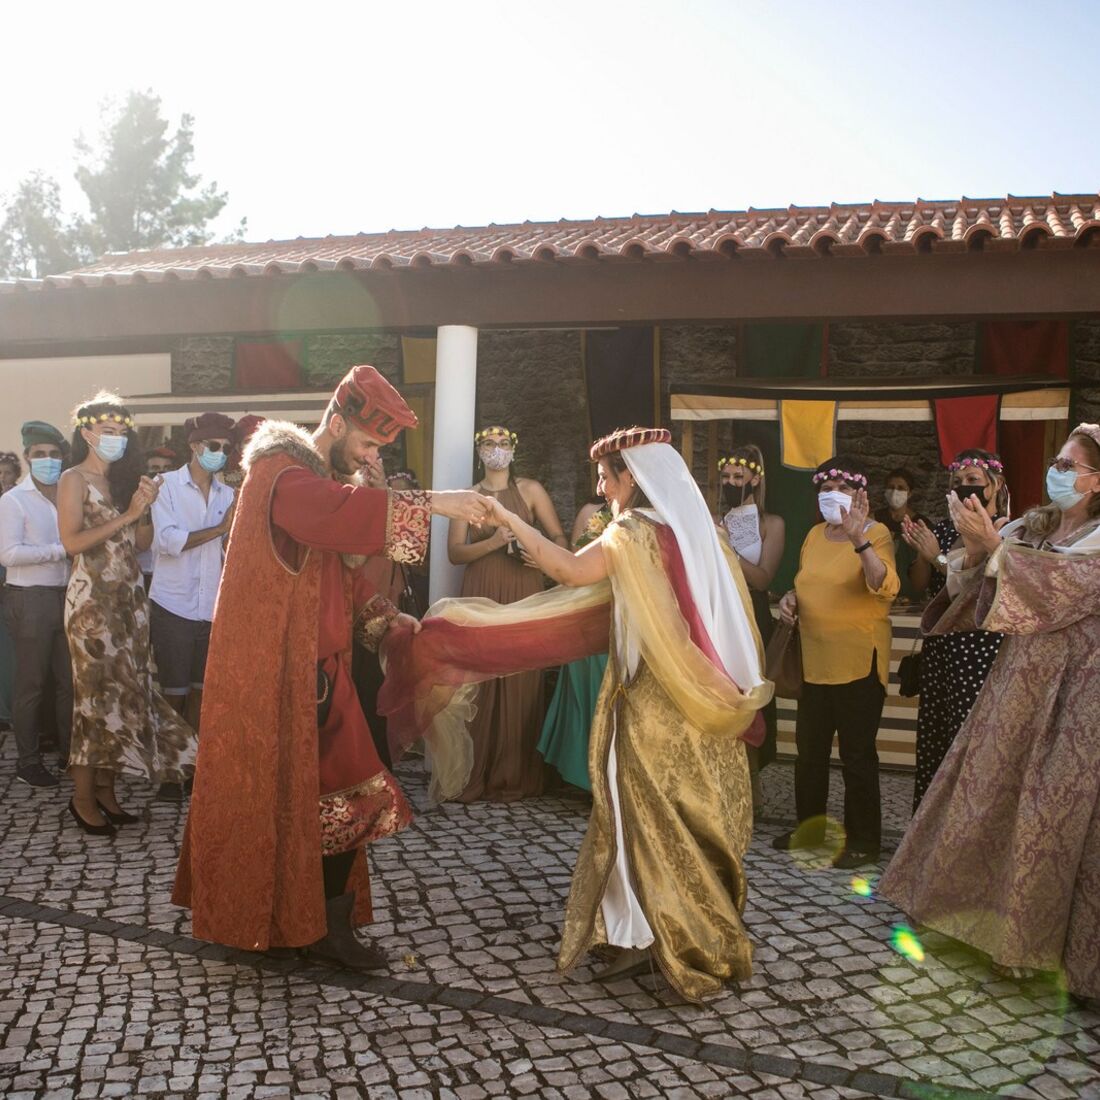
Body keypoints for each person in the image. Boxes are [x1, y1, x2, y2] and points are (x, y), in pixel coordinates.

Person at [412, 426, 771, 1000]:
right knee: (676, 817)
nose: (601, 488)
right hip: (698, 701)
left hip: (652, 701)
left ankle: (660, 936)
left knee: (639, 820)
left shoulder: (632, 531)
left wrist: (512, 521)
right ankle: (650, 929)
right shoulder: (694, 532)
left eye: (607, 477)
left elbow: (569, 570)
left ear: (634, 477)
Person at [173, 365, 493, 970]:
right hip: (284, 679)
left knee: (325, 803)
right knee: (352, 796)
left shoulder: (306, 478)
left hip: (314, 674)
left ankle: (310, 924)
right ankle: (315, 929)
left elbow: (331, 578)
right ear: (338, 421)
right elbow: (335, 512)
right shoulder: (281, 474)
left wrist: (381, 615)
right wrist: (441, 502)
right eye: (369, 444)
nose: (371, 457)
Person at [879, 425, 1100, 1000]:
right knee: (989, 795)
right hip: (1015, 688)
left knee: (1047, 814)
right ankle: (966, 921)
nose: (1056, 469)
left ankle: (1032, 948)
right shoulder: (1034, 524)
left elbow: (1059, 589)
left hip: (1077, 699)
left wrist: (995, 550)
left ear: (1098, 480)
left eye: (1068, 463)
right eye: (1056, 458)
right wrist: (976, 553)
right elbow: (978, 588)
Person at [57, 394, 196, 835]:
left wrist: (145, 509)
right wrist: (128, 515)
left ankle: (107, 792)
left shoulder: (123, 482)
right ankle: (81, 799)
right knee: (95, 702)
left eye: (121, 433)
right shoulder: (73, 479)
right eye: (107, 432)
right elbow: (72, 543)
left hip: (130, 603)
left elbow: (138, 545)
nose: (115, 440)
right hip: (92, 606)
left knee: (125, 699)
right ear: (87, 434)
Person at [772, 457, 899, 870]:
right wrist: (792, 599)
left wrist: (858, 538)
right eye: (825, 486)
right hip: (814, 661)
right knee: (809, 754)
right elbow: (805, 582)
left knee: (857, 757)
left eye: (842, 486)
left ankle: (864, 840)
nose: (832, 493)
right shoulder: (812, 535)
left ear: (861, 493)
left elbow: (882, 584)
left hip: (859, 663)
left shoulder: (876, 534)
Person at [447, 425, 567, 802]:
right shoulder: (467, 498)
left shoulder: (530, 491)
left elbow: (560, 538)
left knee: (521, 676)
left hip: (523, 587)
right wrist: (494, 543)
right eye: (488, 444)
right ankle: (475, 770)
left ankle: (514, 773)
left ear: (514, 451)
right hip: (481, 590)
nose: (495, 449)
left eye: (502, 444)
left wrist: (541, 554)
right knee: (479, 676)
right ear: (479, 451)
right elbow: (455, 553)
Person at [900, 450, 1008, 808]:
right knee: (936, 736)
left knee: (972, 737)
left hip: (982, 649)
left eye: (974, 481)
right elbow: (920, 584)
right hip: (942, 648)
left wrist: (937, 558)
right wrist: (921, 552)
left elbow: (984, 586)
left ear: (995, 486)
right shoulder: (944, 530)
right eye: (958, 483)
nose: (965, 488)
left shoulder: (1008, 529)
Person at [148, 414, 236, 782]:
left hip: (211, 607)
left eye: (225, 449)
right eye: (214, 446)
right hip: (172, 604)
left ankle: (197, 768)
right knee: (173, 694)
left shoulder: (228, 494)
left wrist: (228, 537)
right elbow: (169, 542)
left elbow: (228, 550)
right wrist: (220, 529)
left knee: (203, 694)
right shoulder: (163, 485)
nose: (220, 454)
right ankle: (170, 771)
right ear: (195, 446)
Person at [0, 422, 72, 786]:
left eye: (54, 454)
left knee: (68, 684)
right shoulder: (13, 500)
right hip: (29, 599)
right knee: (31, 685)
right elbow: (9, 554)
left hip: (66, 596)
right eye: (40, 454)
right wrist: (61, 551)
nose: (48, 460)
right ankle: (28, 762)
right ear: (27, 457)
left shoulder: (69, 492)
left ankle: (67, 755)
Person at [718, 446, 785, 808]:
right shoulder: (715, 517)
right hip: (721, 610)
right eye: (726, 478)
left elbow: (762, 578)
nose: (731, 483)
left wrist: (727, 547)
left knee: (753, 697)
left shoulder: (771, 524)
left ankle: (752, 778)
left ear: (754, 479)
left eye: (738, 478)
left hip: (753, 613)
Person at [536, 497, 613, 792]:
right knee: (584, 694)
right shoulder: (589, 511)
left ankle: (608, 775)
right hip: (587, 609)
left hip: (620, 611)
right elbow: (573, 558)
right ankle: (583, 775)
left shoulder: (641, 516)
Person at [873, 467, 929, 602]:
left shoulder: (921, 523)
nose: (895, 492)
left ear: (910, 493)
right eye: (891, 487)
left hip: (911, 593)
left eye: (901, 488)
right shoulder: (874, 519)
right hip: (879, 591)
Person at [138, 447, 180, 587]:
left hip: (170, 573)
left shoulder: (179, 499)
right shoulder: (136, 498)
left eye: (167, 468)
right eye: (155, 468)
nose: (161, 474)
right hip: (142, 571)